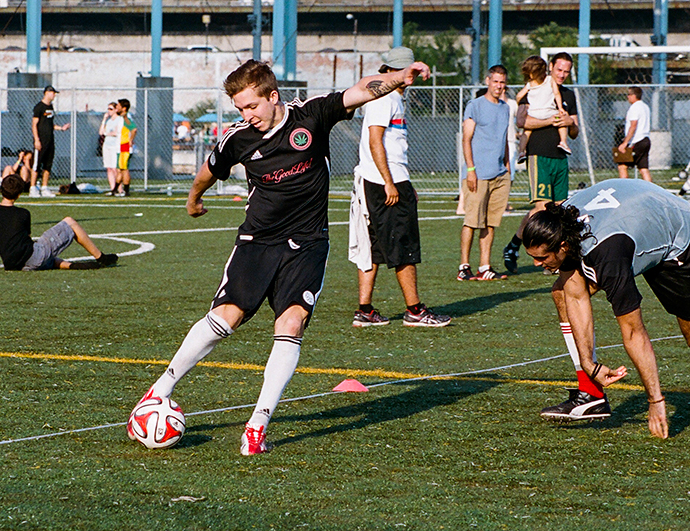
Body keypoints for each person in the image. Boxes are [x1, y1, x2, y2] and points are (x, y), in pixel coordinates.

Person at [126, 58, 432, 455]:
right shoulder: (238, 139)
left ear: (273, 97)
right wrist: (193, 197)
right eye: (239, 108)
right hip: (257, 241)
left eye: (251, 106)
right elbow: (209, 168)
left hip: (307, 243)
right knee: (227, 317)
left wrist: (399, 78)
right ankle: (159, 390)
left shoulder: (312, 114)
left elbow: (360, 89)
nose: (246, 115)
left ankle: (257, 426)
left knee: (292, 322)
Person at [522, 179, 690, 437]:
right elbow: (575, 296)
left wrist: (655, 401)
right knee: (562, 292)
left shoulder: (608, 255)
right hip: (636, 225)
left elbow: (633, 332)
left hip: (680, 242)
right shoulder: (561, 223)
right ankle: (591, 393)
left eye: (541, 258)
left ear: (563, 246)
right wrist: (589, 363)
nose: (535, 264)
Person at [349, 47, 451, 328]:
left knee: (374, 249)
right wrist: (390, 183)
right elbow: (375, 142)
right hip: (383, 183)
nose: (411, 76)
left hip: (385, 181)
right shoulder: (385, 99)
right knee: (403, 246)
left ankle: (365, 310)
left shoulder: (391, 98)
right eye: (405, 70)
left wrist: (404, 182)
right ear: (390, 71)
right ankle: (415, 310)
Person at [502, 52, 578, 275]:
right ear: (550, 67)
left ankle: (554, 256)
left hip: (560, 156)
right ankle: (517, 245)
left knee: (560, 208)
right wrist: (550, 120)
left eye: (566, 71)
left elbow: (575, 130)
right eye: (559, 70)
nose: (562, 74)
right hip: (538, 154)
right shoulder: (535, 86)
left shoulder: (568, 95)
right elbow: (522, 120)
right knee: (542, 208)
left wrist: (568, 122)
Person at [0, 175, 118, 270]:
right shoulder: (23, 213)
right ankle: (101, 257)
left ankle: (70, 265)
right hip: (32, 259)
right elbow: (27, 240)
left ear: (1, 191)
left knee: (42, 255)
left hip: (13, 265)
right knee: (70, 222)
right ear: (18, 194)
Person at [457, 65, 511, 281]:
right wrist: (471, 170)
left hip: (499, 174)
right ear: (488, 81)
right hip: (478, 174)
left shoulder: (506, 108)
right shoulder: (475, 106)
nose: (499, 86)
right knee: (472, 221)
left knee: (490, 222)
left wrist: (507, 167)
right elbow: (466, 139)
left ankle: (485, 266)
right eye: (495, 81)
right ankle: (464, 266)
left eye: (502, 82)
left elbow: (504, 138)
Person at [515, 55, 570, 162]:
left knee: (527, 131)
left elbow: (519, 96)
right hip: (549, 112)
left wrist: (519, 103)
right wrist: (560, 108)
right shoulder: (550, 80)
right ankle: (563, 142)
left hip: (534, 113)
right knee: (562, 124)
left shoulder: (530, 84)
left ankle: (521, 151)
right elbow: (557, 94)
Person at [30, 86, 70, 198]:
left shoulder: (51, 107)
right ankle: (32, 188)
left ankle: (44, 187)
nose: (54, 95)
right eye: (52, 93)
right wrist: (36, 140)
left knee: (48, 165)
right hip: (41, 140)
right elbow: (34, 125)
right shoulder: (39, 107)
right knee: (37, 165)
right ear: (47, 93)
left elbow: (50, 124)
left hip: (50, 140)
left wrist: (61, 128)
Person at [616, 86, 652, 182]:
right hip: (645, 139)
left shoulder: (634, 108)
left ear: (633, 95)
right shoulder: (645, 106)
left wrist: (625, 143)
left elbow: (633, 126)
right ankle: (651, 192)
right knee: (643, 168)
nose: (627, 97)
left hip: (637, 141)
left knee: (622, 165)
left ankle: (625, 189)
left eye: (629, 94)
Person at [114, 98, 137, 197]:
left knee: (124, 169)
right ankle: (114, 190)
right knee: (119, 169)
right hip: (120, 146)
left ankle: (126, 191)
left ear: (124, 108)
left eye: (118, 106)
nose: (116, 108)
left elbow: (134, 129)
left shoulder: (126, 118)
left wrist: (131, 140)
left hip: (125, 146)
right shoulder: (122, 117)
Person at [99, 102, 122, 196]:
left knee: (115, 168)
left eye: (111, 109)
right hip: (107, 145)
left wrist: (108, 133)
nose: (109, 111)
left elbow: (117, 132)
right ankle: (113, 189)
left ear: (116, 109)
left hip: (114, 146)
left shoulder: (119, 119)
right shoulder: (108, 121)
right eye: (108, 109)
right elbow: (101, 132)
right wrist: (104, 119)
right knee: (109, 168)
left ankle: (120, 189)